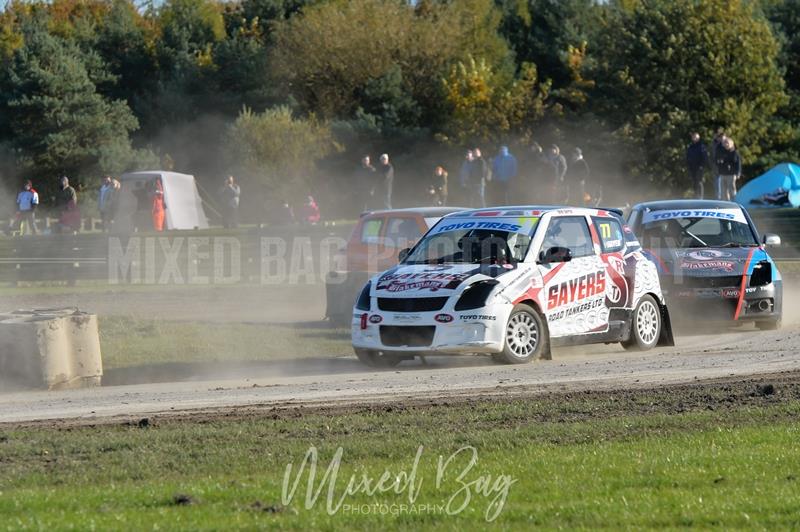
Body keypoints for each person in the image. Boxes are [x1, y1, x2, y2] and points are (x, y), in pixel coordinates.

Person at [715, 137, 741, 201]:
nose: (726, 144)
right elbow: (717, 161)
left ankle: (734, 203)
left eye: (727, 143)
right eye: (725, 143)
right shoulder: (721, 152)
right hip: (722, 174)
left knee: (731, 190)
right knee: (723, 191)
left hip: (731, 174)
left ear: (731, 144)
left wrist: (738, 173)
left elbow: (738, 164)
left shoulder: (735, 153)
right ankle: (725, 204)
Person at [686, 133, 709, 199]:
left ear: (698, 138)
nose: (694, 139)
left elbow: (705, 157)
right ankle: (695, 196)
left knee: (699, 182)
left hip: (699, 168)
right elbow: (688, 156)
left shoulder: (701, 146)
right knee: (694, 182)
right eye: (693, 137)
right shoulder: (691, 146)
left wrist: (702, 166)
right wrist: (689, 164)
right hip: (692, 167)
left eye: (696, 137)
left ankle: (700, 197)